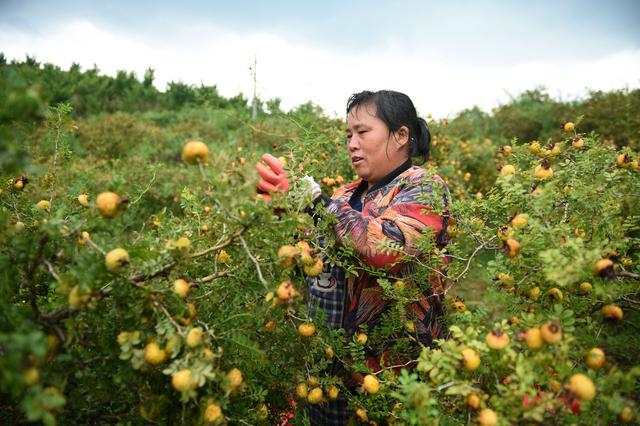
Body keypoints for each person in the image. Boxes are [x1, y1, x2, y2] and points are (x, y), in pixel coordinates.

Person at [256, 90, 451, 425]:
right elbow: (315, 256)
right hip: (329, 373)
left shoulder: (423, 187)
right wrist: (280, 214)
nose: (352, 143)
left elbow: (385, 249)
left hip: (391, 374)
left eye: (363, 132)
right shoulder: (345, 194)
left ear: (401, 135)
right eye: (348, 134)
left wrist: (318, 205)